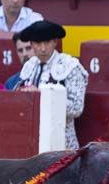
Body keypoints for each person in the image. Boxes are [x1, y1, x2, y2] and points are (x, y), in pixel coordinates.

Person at [17, 20, 89, 150]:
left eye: (47, 42)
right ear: (32, 44)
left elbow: (77, 108)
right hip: (30, 140)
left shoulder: (70, 66)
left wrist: (41, 96)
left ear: (55, 42)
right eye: (38, 43)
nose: (43, 48)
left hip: (62, 142)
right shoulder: (29, 66)